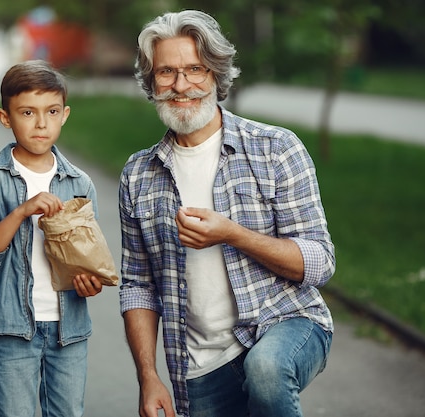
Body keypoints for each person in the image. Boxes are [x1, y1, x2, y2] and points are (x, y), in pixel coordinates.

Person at [118, 10, 335, 417]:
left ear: (217, 74)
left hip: (285, 323)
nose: (181, 85)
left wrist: (235, 234)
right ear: (151, 83)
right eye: (166, 72)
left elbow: (320, 263)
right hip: (200, 363)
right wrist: (148, 377)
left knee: (267, 369)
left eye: (195, 69)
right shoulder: (138, 175)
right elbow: (138, 286)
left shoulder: (275, 148)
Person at [0, 60, 103, 417]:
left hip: (68, 330)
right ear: (5, 117)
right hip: (12, 329)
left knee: (68, 411)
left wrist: (90, 283)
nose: (41, 123)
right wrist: (22, 211)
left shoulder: (80, 183)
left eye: (51, 111)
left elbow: (89, 255)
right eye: (28, 112)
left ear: (64, 114)